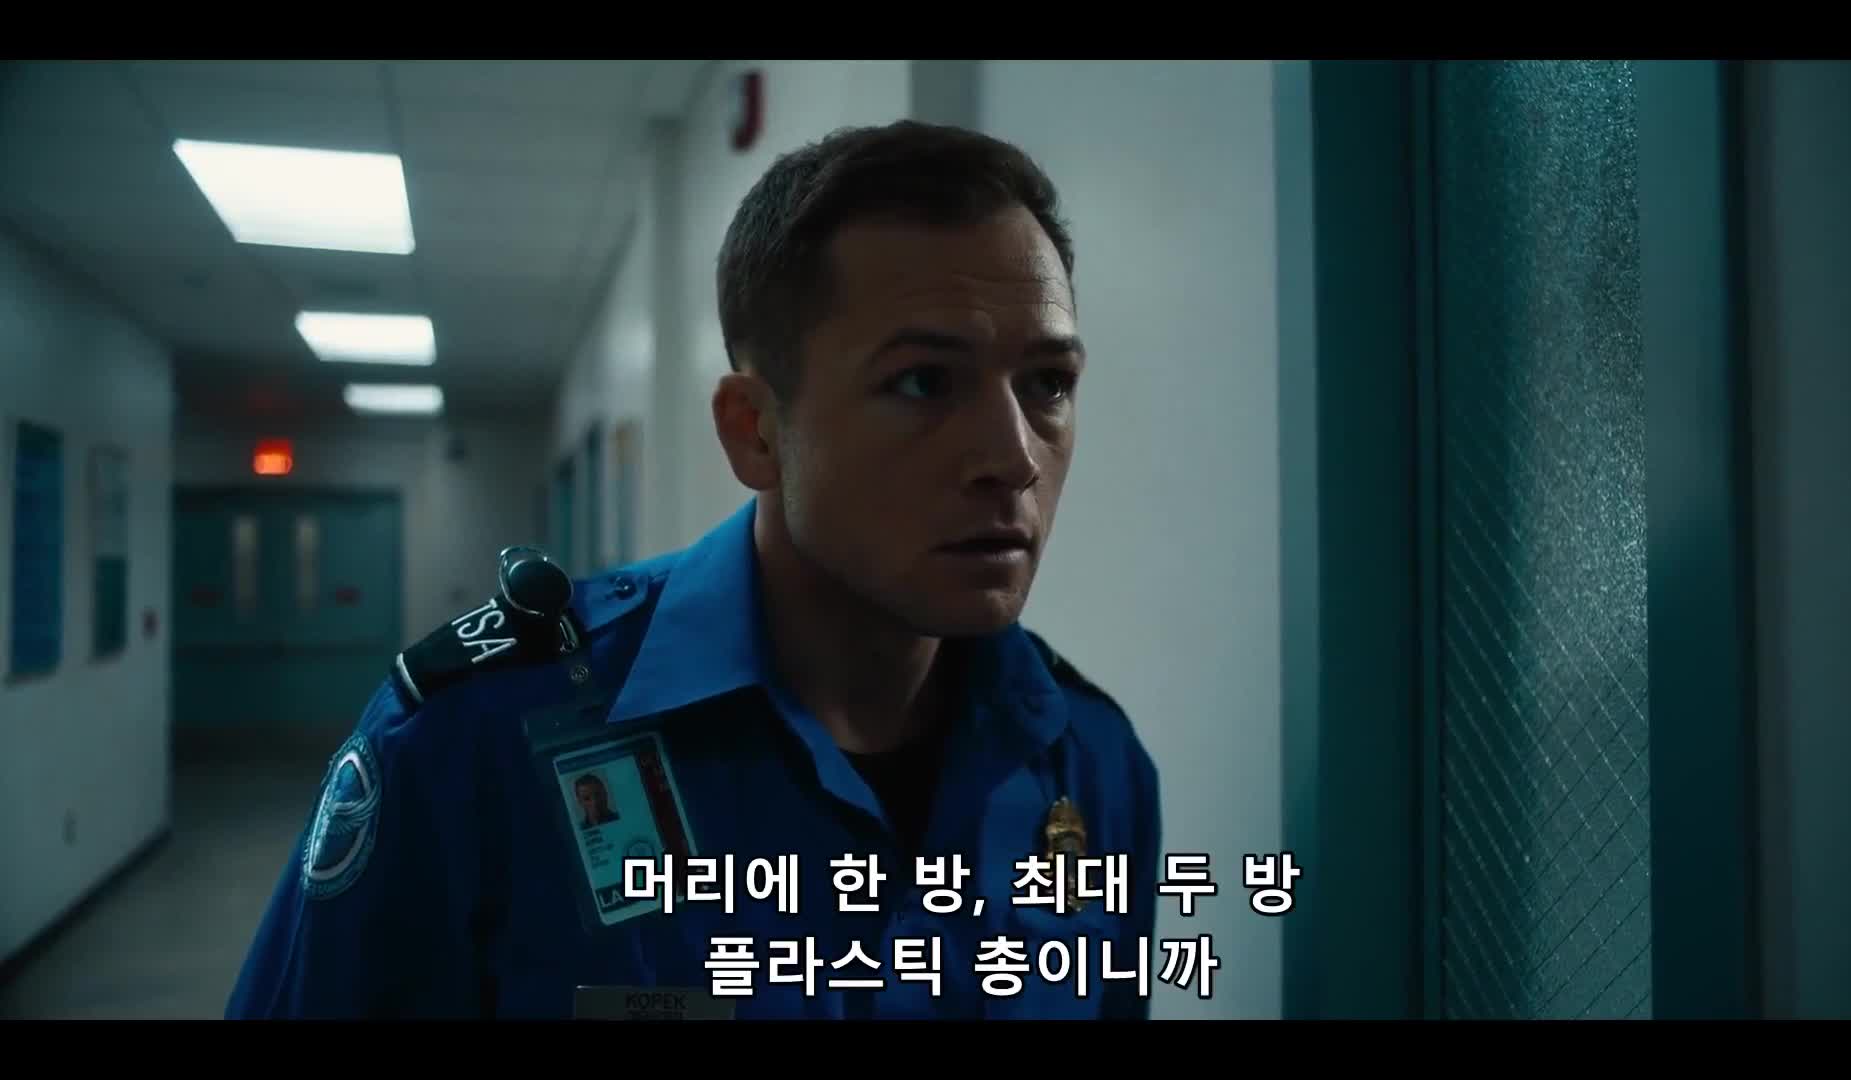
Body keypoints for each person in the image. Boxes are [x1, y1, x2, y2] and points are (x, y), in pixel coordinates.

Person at [225, 119, 1162, 1021]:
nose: (1013, 457)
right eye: (923, 382)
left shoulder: (1091, 764)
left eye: (1048, 383)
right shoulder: (474, 746)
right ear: (755, 431)